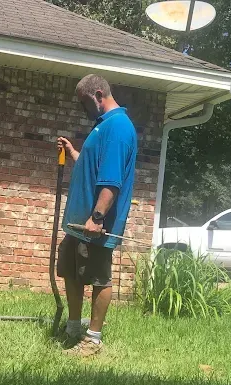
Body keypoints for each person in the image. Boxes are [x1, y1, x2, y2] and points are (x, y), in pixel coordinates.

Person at [57, 74, 137, 357]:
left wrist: (98, 217)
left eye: (84, 103)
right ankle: (74, 327)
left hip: (95, 225)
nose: (83, 109)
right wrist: (74, 153)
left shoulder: (117, 127)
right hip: (78, 224)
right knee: (71, 273)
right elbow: (93, 168)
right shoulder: (102, 126)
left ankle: (93, 339)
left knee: (99, 278)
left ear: (98, 95)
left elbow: (111, 181)